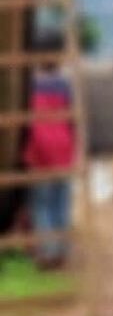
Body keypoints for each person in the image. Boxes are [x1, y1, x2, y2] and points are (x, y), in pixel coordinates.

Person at [23, 33, 76, 269]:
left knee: (41, 204)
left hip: (39, 149)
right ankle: (62, 251)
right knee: (61, 202)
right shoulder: (64, 84)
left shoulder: (30, 84)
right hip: (63, 149)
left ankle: (48, 252)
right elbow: (72, 119)